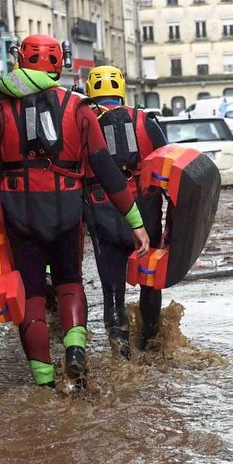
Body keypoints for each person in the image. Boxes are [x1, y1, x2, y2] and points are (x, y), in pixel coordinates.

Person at [0, 35, 150, 388]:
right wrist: (136, 223)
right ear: (59, 63)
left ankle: (44, 383)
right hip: (68, 213)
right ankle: (74, 350)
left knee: (33, 295)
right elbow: (106, 171)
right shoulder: (79, 108)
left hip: (19, 217)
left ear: (21, 60)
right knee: (69, 282)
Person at [84, 65, 168, 358]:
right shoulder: (146, 122)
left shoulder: (85, 122)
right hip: (146, 214)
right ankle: (151, 342)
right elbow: (169, 166)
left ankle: (121, 354)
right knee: (149, 281)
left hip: (104, 213)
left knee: (112, 289)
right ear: (121, 90)